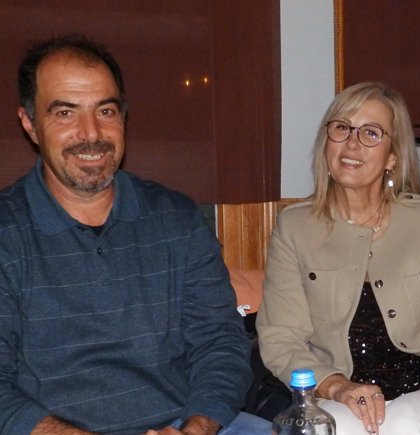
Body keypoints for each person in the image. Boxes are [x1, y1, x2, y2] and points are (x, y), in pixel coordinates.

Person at [0, 35, 271, 434]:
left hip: (179, 422)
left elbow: (219, 345)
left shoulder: (177, 218)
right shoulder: (7, 233)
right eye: (65, 113)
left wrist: (197, 427)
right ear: (30, 124)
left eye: (105, 111)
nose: (91, 133)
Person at [256, 81, 420, 435]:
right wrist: (336, 385)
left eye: (371, 133)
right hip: (343, 394)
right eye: (342, 128)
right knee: (330, 428)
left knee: (405, 422)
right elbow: (281, 338)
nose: (352, 143)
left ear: (393, 157)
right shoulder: (295, 227)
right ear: (326, 142)